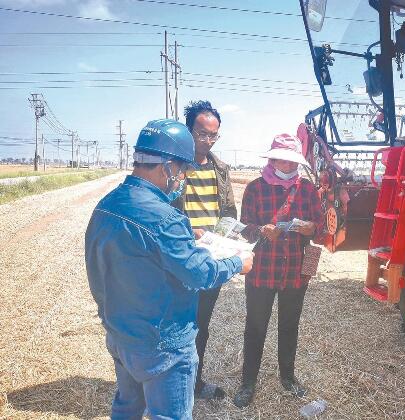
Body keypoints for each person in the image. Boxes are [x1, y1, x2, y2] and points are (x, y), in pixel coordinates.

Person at [85, 119, 253, 420]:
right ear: (168, 167)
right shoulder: (165, 217)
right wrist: (237, 263)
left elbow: (115, 266)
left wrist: (188, 241)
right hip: (164, 345)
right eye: (184, 170)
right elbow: (200, 274)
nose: (184, 177)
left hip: (121, 335)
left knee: (127, 408)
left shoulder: (107, 206)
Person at [233, 134, 323, 408]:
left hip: (296, 271)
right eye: (279, 158)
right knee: (256, 327)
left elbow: (321, 225)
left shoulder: (307, 189)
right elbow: (244, 229)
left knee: (289, 326)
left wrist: (310, 228)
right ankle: (248, 382)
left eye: (290, 158)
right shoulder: (255, 189)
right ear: (271, 159)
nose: (284, 163)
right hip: (262, 270)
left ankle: (288, 376)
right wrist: (261, 230)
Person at [173, 100, 237, 400]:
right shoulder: (173, 167)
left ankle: (194, 385)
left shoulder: (220, 169)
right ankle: (169, 386)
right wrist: (190, 230)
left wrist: (228, 238)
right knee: (175, 326)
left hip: (209, 259)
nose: (208, 140)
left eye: (214, 135)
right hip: (179, 256)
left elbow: (228, 213)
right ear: (189, 131)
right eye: (202, 134)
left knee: (201, 327)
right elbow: (161, 212)